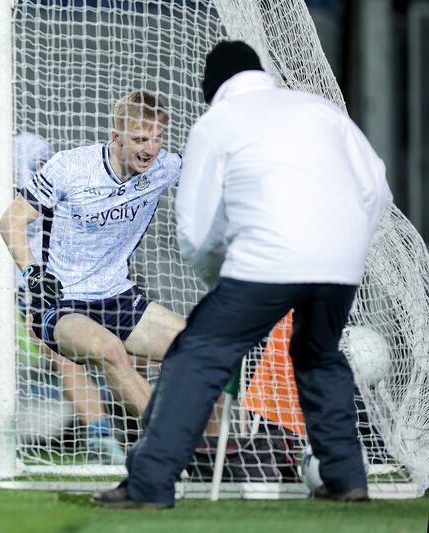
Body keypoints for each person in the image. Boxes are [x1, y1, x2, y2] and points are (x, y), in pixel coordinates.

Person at [94, 41, 392, 509]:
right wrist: (346, 247)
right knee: (319, 356)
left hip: (266, 260)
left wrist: (220, 283)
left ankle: (149, 485)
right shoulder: (320, 109)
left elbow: (196, 229)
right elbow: (375, 182)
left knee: (195, 355)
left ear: (213, 88)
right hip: (342, 261)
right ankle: (345, 478)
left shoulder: (217, 123)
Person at [0, 115, 124, 462]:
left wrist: (11, 189)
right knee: (61, 356)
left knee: (128, 350)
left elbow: (55, 196)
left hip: (82, 264)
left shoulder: (26, 147)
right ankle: (102, 438)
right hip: (33, 282)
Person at [0, 91, 186, 420]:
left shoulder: (166, 167)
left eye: (157, 138)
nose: (150, 149)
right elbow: (10, 221)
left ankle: (215, 455)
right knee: (111, 352)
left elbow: (214, 184)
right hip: (63, 301)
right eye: (140, 139)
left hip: (118, 295)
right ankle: (168, 444)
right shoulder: (71, 167)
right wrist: (32, 273)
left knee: (202, 351)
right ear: (117, 137)